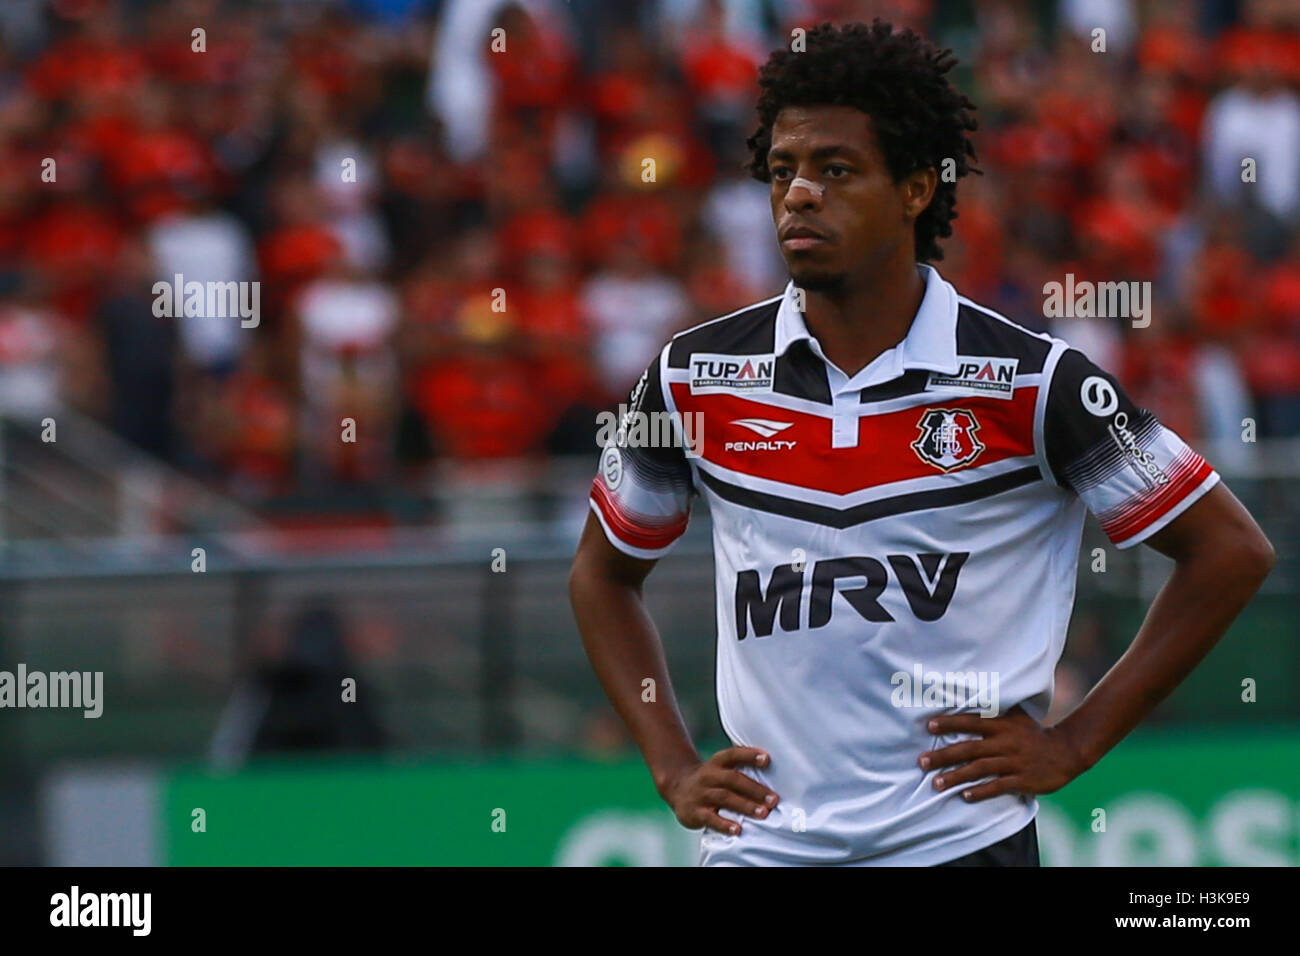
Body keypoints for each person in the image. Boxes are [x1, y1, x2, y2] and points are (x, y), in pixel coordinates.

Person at [568, 20, 1274, 867]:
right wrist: (673, 766)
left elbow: (1229, 550)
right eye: (783, 169)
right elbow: (603, 576)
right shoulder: (693, 376)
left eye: (835, 170)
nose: (798, 194)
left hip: (960, 845)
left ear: (913, 190)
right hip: (762, 851)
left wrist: (1075, 742)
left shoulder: (1035, 385)